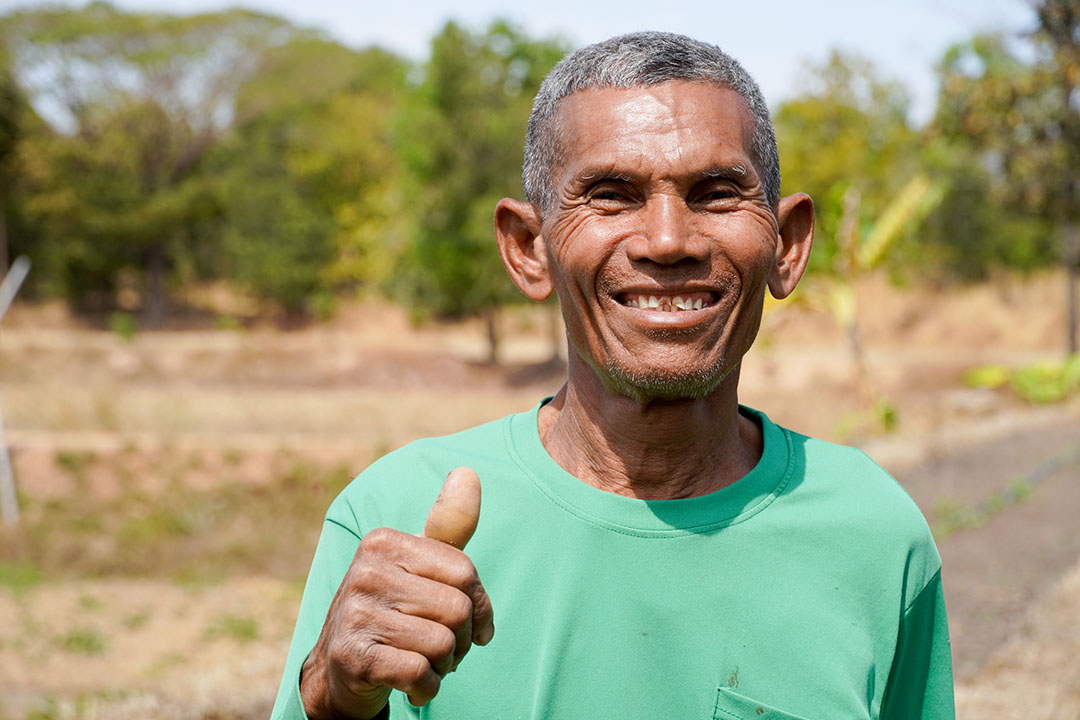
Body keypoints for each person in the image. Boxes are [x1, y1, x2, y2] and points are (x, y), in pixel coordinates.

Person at [271, 31, 954, 720]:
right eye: (611, 194)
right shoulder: (393, 521)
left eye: (717, 193)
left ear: (788, 246)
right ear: (528, 249)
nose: (667, 241)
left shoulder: (873, 533)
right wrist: (332, 700)